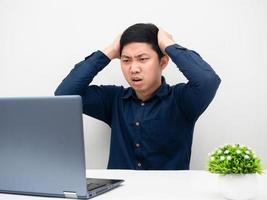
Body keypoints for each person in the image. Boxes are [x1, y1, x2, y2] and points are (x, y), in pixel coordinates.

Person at [55, 23, 221, 170]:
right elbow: (65, 94)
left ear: (163, 62)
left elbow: (208, 80)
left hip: (169, 193)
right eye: (126, 60)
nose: (133, 68)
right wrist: (110, 50)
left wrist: (169, 45)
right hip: (119, 194)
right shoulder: (114, 100)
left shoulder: (182, 100)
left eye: (142, 59)